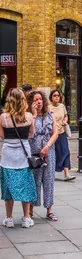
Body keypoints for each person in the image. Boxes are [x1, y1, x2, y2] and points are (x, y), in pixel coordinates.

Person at [0, 88, 37, 227]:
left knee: (8, 187)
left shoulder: (3, 117)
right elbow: (31, 134)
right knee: (26, 185)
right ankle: (26, 218)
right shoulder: (28, 117)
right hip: (24, 155)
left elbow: (2, 136)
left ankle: (9, 218)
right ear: (22, 100)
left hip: (8, 156)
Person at [28, 91, 57, 221]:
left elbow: (55, 134)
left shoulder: (50, 115)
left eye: (40, 99)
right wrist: (34, 115)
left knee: (49, 180)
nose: (38, 101)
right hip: (34, 153)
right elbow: (29, 133)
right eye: (35, 100)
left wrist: (47, 147)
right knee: (34, 181)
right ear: (31, 102)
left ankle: (49, 210)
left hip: (48, 152)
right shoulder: (29, 117)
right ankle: (30, 211)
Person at [49, 89, 74, 182]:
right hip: (52, 134)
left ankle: (67, 174)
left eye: (58, 95)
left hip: (62, 132)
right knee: (54, 153)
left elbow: (65, 115)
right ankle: (52, 173)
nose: (56, 97)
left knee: (66, 152)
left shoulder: (62, 106)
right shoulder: (48, 107)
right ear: (51, 97)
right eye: (54, 95)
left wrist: (65, 121)